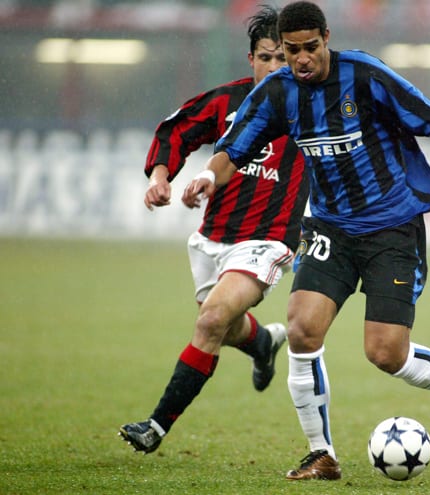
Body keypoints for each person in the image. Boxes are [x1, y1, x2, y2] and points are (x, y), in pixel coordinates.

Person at [183, 0, 430, 480]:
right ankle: (322, 454)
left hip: (392, 229)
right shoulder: (279, 92)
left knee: (385, 354)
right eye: (291, 50)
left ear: (327, 37)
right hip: (330, 228)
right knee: (300, 328)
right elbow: (233, 147)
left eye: (310, 48)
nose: (300, 60)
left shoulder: (364, 76)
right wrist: (210, 179)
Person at [118, 5, 308, 454]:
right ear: (251, 60)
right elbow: (176, 130)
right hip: (213, 236)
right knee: (223, 323)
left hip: (269, 239)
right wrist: (160, 177)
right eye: (267, 57)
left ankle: (156, 426)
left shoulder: (313, 108)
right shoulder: (227, 101)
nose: (276, 67)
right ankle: (262, 343)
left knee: (211, 319)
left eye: (284, 58)